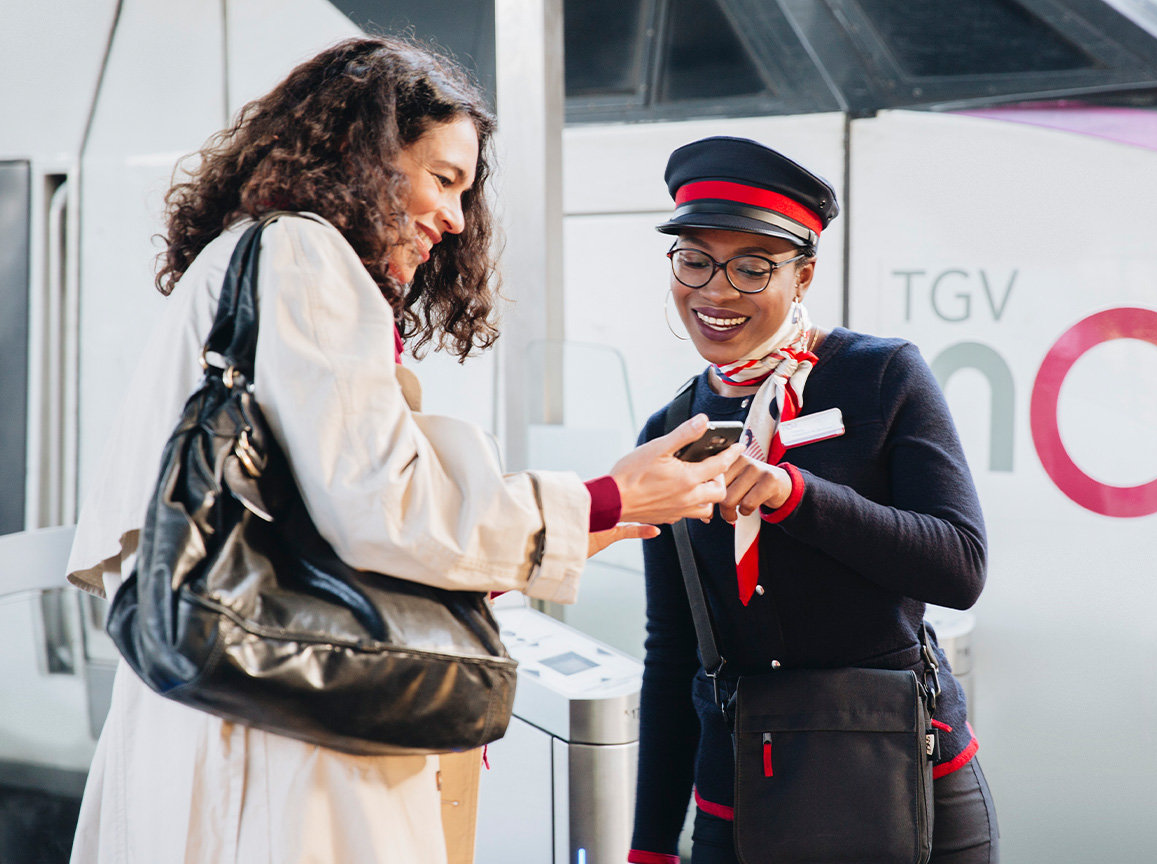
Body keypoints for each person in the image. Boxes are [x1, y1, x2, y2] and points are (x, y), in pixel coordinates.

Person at [63, 38, 740, 864]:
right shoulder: (305, 253)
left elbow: (316, 515)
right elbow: (382, 508)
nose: (456, 219)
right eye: (444, 179)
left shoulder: (241, 257)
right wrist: (605, 499)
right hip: (277, 749)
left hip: (216, 715)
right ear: (363, 156)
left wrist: (571, 531)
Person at [627, 137, 1000, 864]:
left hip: (901, 772)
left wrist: (796, 494)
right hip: (735, 793)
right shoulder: (669, 432)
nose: (716, 290)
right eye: (695, 259)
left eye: (752, 267)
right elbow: (673, 656)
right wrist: (649, 847)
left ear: (804, 275)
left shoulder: (879, 376)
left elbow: (960, 568)